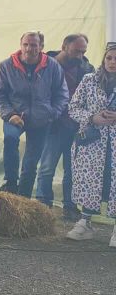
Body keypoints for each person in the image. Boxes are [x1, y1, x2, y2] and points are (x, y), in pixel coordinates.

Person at [0, 32, 69, 197]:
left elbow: (62, 94)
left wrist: (52, 113)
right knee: (11, 139)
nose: (29, 48)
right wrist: (10, 114)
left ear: (41, 47)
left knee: (31, 161)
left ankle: (24, 196)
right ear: (21, 45)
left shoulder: (53, 66)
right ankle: (11, 183)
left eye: (34, 45)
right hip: (14, 116)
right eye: (26, 44)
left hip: (42, 119)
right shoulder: (6, 65)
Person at [35, 34, 94, 219]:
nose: (80, 55)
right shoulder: (45, 64)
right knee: (47, 167)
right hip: (53, 124)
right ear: (64, 47)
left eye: (83, 51)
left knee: (73, 169)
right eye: (77, 51)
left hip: (76, 126)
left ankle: (69, 206)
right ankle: (43, 206)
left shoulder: (86, 68)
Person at [65, 42, 116, 248]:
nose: (113, 62)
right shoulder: (89, 80)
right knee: (90, 181)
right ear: (104, 59)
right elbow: (73, 107)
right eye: (109, 58)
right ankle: (85, 223)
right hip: (92, 143)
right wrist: (92, 117)